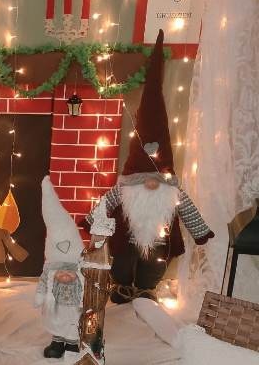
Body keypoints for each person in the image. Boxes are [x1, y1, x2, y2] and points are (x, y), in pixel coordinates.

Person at [84, 30, 213, 303]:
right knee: (122, 259)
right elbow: (107, 203)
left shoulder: (172, 193)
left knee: (154, 262)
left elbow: (188, 210)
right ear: (134, 176)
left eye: (156, 177)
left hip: (158, 238)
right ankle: (122, 285)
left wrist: (201, 233)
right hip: (127, 236)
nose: (151, 182)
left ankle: (146, 288)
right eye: (144, 177)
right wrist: (92, 221)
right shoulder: (124, 190)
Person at [35, 176, 84, 358]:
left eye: (68, 271)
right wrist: (40, 296)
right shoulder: (49, 268)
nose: (64, 274)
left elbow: (86, 278)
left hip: (74, 304)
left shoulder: (80, 266)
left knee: (72, 322)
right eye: (59, 271)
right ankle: (57, 342)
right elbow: (43, 282)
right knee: (55, 321)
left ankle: (71, 343)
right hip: (55, 303)